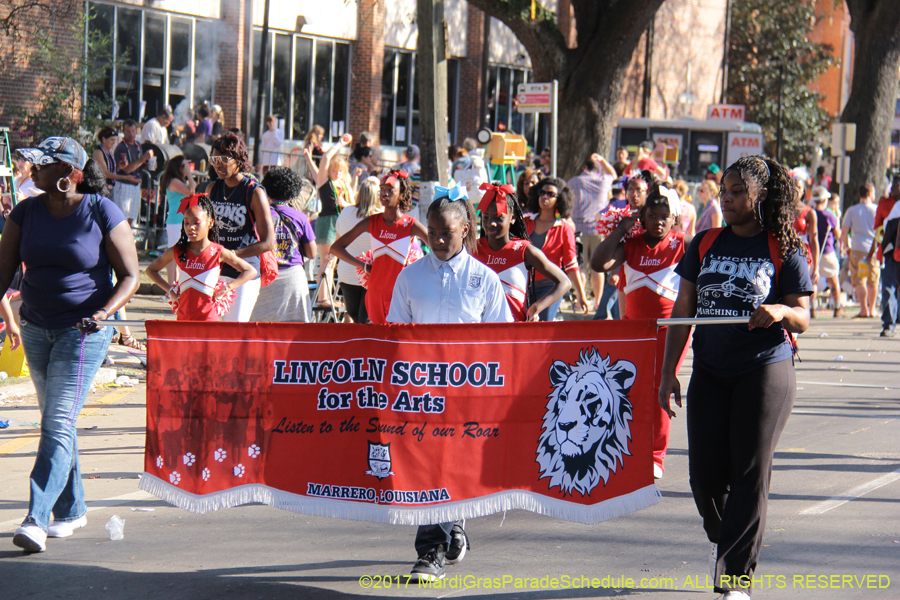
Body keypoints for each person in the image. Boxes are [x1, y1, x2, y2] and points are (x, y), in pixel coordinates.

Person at [659, 155, 812, 600]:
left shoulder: (783, 246)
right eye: (723, 191)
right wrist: (670, 371)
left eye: (737, 192)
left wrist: (781, 310)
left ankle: (735, 580)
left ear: (760, 196)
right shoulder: (704, 242)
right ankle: (726, 541)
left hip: (763, 368)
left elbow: (803, 316)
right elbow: (682, 310)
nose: (727, 199)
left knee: (748, 472)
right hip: (710, 369)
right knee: (704, 477)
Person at [6, 137, 140, 552]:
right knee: (56, 421)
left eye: (40, 165)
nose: (30, 170)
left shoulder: (101, 211)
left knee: (58, 421)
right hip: (35, 327)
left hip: (83, 331)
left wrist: (104, 314)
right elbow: (3, 272)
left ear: (67, 174)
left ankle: (37, 517)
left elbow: (131, 276)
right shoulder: (26, 212)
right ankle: (71, 509)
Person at [387, 190, 512, 582]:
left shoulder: (485, 280)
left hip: (466, 395)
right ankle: (432, 550)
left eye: (448, 233)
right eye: (433, 233)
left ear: (466, 230)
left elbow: (503, 340)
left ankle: (451, 524)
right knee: (428, 470)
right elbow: (394, 335)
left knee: (453, 467)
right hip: (420, 394)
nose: (439, 240)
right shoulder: (409, 278)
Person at [592, 183, 688, 479]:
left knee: (661, 387)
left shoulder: (682, 244)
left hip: (669, 331)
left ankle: (655, 456)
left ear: (673, 220)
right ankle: (629, 447)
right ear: (641, 217)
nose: (659, 221)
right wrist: (621, 230)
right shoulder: (630, 245)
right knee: (629, 390)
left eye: (665, 216)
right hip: (634, 332)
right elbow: (597, 263)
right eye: (652, 215)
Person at [330, 169, 427, 324]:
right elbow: (335, 248)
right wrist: (363, 266)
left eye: (390, 190)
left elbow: (437, 250)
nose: (384, 194)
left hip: (399, 295)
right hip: (374, 295)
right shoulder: (372, 221)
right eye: (382, 190)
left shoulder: (410, 224)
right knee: (374, 343)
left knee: (396, 342)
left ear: (402, 194)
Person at [145, 194, 257, 321]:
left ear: (210, 223)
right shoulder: (178, 251)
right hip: (183, 320)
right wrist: (170, 290)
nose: (190, 227)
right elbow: (151, 270)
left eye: (196, 222)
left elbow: (250, 271)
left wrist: (227, 288)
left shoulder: (218, 252)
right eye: (186, 223)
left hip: (209, 322)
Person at [207, 132, 276, 321]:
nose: (218, 165)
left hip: (243, 273)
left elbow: (268, 242)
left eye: (223, 159)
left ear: (238, 158)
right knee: (210, 331)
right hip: (215, 270)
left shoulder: (254, 191)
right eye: (214, 159)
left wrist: (231, 255)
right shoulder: (212, 189)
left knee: (234, 330)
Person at [475, 183, 569, 320]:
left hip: (514, 332)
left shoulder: (524, 250)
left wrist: (537, 307)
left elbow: (564, 282)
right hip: (479, 333)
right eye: (486, 217)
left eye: (499, 217)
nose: (491, 223)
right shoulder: (472, 249)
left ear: (512, 218)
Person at [250, 168, 317, 322]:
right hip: (293, 280)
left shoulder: (258, 214)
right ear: (294, 192)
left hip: (264, 277)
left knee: (260, 331)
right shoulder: (299, 216)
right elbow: (312, 253)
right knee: (293, 330)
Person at [525, 177, 589, 319]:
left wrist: (581, 294)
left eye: (550, 194)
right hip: (524, 285)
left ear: (560, 200)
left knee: (543, 327)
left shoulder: (564, 229)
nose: (544, 196)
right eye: (542, 192)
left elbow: (571, 263)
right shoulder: (526, 222)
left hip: (551, 288)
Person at [305, 133, 354, 307]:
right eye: (335, 170)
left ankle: (326, 297)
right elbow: (326, 157)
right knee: (326, 261)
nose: (338, 173)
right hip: (327, 223)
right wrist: (340, 143)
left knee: (331, 262)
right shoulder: (324, 182)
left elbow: (354, 204)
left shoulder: (344, 185)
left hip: (340, 224)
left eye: (341, 170)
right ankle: (322, 298)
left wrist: (346, 203)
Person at [569, 153, 616, 311]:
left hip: (578, 229)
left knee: (580, 266)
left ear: (584, 168)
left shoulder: (574, 181)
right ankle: (598, 301)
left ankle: (580, 301)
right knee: (597, 268)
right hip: (598, 229)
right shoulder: (603, 181)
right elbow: (613, 174)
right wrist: (603, 160)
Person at [335, 178, 382, 323]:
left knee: (355, 317)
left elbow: (338, 239)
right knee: (365, 320)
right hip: (371, 273)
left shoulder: (346, 212)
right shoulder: (380, 217)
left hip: (347, 271)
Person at [869, 174, 900, 336]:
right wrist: (876, 250)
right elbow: (879, 228)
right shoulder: (885, 203)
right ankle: (888, 324)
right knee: (888, 287)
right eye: (892, 185)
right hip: (890, 250)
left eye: (896, 185)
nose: (892, 188)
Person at [842, 183, 879, 318]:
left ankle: (863, 309)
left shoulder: (852, 210)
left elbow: (844, 232)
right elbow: (881, 231)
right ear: (869, 194)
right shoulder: (876, 209)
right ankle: (873, 309)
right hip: (873, 249)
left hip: (857, 248)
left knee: (859, 280)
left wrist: (846, 247)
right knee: (873, 280)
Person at [114, 119, 154, 227]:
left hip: (136, 185)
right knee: (122, 219)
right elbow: (126, 169)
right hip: (124, 185)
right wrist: (144, 158)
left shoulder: (137, 145)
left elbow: (138, 164)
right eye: (128, 132)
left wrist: (148, 164)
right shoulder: (121, 147)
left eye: (133, 131)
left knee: (132, 217)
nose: (131, 134)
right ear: (123, 132)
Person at [811, 186, 844, 318]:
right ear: (824, 200)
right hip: (827, 251)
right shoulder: (829, 215)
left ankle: (812, 310)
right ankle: (837, 309)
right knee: (834, 280)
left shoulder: (810, 213)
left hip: (813, 252)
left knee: (812, 281)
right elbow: (837, 234)